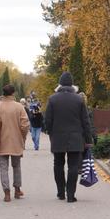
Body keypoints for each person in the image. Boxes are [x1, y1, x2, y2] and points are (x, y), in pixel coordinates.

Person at [45, 72, 92, 203]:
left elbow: (48, 120)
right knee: (73, 166)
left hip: (58, 137)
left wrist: (51, 133)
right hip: (76, 138)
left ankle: (61, 193)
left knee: (58, 164)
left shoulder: (52, 99)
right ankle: (71, 195)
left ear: (60, 84)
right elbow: (85, 121)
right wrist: (88, 140)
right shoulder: (79, 99)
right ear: (72, 84)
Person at [0, 84, 30, 202]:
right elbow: (25, 125)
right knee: (16, 166)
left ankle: (6, 193)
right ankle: (17, 190)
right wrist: (23, 136)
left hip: (1, 141)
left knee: (3, 168)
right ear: (13, 93)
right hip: (16, 141)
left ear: (3, 93)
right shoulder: (19, 106)